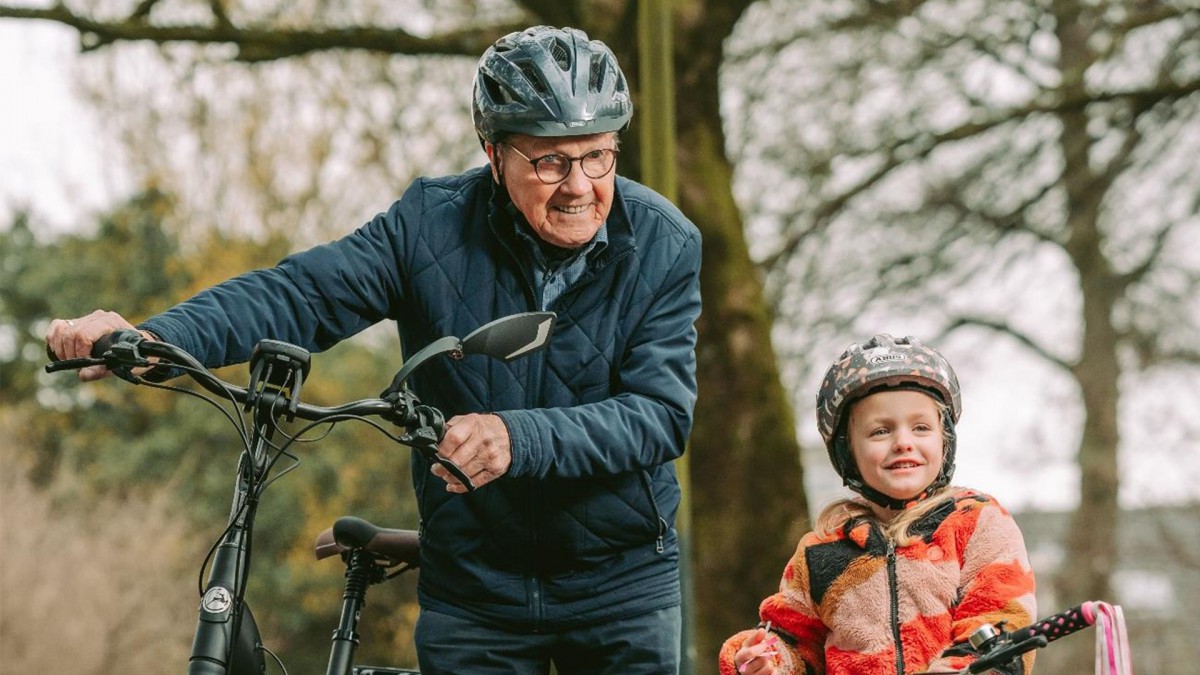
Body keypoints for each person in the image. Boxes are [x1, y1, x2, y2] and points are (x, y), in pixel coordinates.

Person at [46, 25, 701, 675]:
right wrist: (162, 337)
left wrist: (514, 437)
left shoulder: (664, 243)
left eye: (598, 156)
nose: (580, 186)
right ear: (493, 154)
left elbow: (658, 414)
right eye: (551, 161)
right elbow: (300, 294)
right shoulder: (429, 226)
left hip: (618, 586)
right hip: (475, 591)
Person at [719, 335, 1037, 675]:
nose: (903, 442)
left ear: (944, 441)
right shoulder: (822, 551)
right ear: (848, 451)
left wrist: (963, 667)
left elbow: (1001, 620)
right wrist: (768, 660)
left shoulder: (977, 523)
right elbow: (793, 639)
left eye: (920, 427)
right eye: (881, 431)